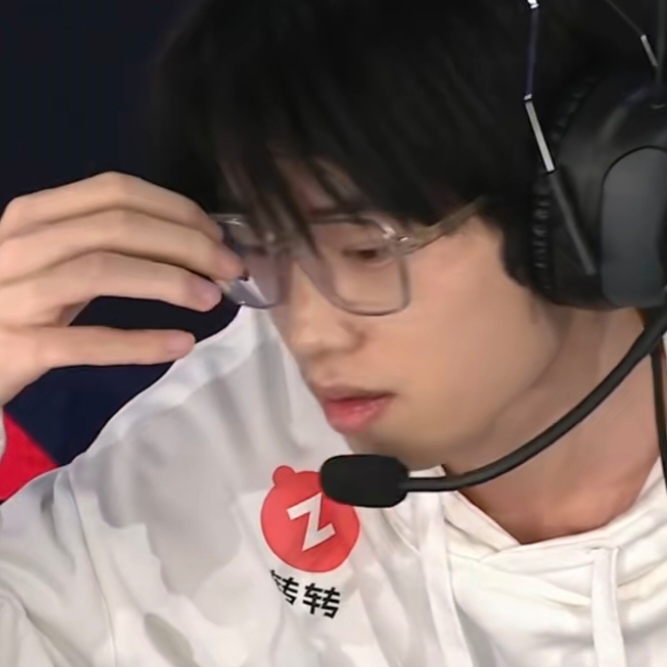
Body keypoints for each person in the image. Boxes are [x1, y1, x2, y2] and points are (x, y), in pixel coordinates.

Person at [0, 0, 665, 664]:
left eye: (366, 250)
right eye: (266, 247)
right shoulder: (221, 429)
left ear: (593, 212)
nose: (308, 332)